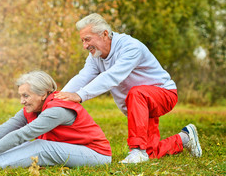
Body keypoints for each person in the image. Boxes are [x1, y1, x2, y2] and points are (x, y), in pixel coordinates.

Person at [54, 13, 202, 164]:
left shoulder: (130, 47)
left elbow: (112, 76)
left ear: (104, 34)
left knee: (136, 93)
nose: (85, 46)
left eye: (87, 39)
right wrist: (58, 98)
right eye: (82, 41)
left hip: (164, 94)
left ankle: (137, 150)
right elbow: (82, 77)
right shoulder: (95, 57)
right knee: (150, 152)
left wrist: (80, 95)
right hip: (141, 106)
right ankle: (185, 138)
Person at [0, 70, 112, 171]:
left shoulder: (58, 109)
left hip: (96, 155)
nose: (22, 101)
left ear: (43, 94)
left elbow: (24, 134)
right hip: (73, 149)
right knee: (24, 146)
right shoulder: (35, 107)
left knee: (40, 147)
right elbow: (6, 128)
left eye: (26, 96)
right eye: (21, 96)